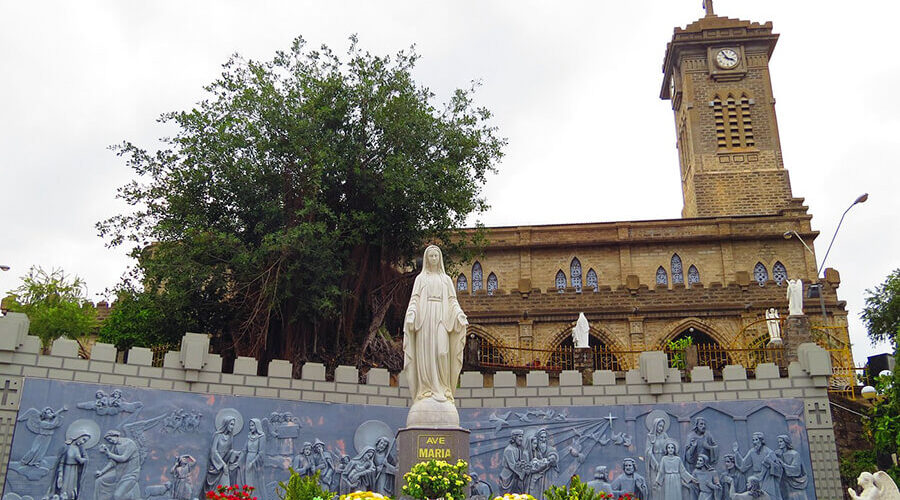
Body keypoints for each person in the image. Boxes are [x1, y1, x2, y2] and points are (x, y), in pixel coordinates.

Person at [403, 245, 469, 402]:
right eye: (431, 256)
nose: (433, 259)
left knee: (442, 352)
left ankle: (444, 388)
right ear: (426, 259)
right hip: (424, 319)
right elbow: (415, 299)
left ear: (440, 259)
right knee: (425, 354)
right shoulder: (421, 279)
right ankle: (425, 389)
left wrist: (459, 315)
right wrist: (411, 314)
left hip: (442, 317)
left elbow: (453, 301)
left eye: (436, 256)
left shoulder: (446, 280)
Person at [94, 430, 141, 500]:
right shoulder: (115, 446)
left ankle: (131, 496)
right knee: (99, 481)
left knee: (118, 496)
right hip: (119, 472)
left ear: (116, 436)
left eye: (110, 439)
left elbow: (123, 458)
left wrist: (108, 453)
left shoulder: (130, 444)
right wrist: (102, 472)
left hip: (130, 474)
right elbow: (112, 462)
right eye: (108, 440)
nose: (110, 441)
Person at [733, 433, 782, 500]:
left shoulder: (769, 452)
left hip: (768, 478)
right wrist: (736, 452)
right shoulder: (752, 451)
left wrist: (770, 463)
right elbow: (743, 466)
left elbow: (778, 468)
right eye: (753, 440)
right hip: (756, 478)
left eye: (756, 440)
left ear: (761, 441)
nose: (754, 442)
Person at [203, 417, 242, 493]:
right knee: (215, 491)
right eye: (231, 424)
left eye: (233, 425)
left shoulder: (230, 437)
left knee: (226, 488)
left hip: (225, 464)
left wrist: (236, 454)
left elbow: (230, 451)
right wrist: (222, 464)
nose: (232, 427)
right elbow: (213, 451)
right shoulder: (217, 435)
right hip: (216, 465)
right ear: (226, 424)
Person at [49, 433, 89, 500]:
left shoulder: (78, 448)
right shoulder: (66, 447)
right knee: (63, 487)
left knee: (71, 488)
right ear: (77, 436)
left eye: (85, 441)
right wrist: (60, 474)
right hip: (66, 470)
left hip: (74, 470)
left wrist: (84, 454)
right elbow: (61, 461)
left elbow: (81, 461)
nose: (83, 442)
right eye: (83, 439)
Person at [774, 435, 807, 500]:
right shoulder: (778, 454)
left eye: (781, 442)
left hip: (794, 483)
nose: (779, 444)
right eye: (778, 442)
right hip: (783, 482)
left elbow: (796, 470)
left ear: (786, 442)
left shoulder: (795, 454)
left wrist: (782, 464)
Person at [646, 417, 671, 500]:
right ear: (655, 425)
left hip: (664, 461)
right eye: (659, 426)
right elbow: (648, 452)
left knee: (664, 484)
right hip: (654, 462)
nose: (661, 428)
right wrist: (655, 463)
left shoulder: (664, 435)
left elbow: (669, 447)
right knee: (655, 484)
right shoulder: (650, 436)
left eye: (662, 427)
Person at [242, 419, 266, 500]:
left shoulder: (261, 437)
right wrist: (238, 461)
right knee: (248, 480)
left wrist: (252, 462)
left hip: (256, 462)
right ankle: (248, 497)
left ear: (257, 426)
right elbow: (244, 450)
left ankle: (256, 497)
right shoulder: (249, 436)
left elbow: (261, 452)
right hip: (248, 459)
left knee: (255, 481)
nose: (250, 427)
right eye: (250, 425)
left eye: (252, 425)